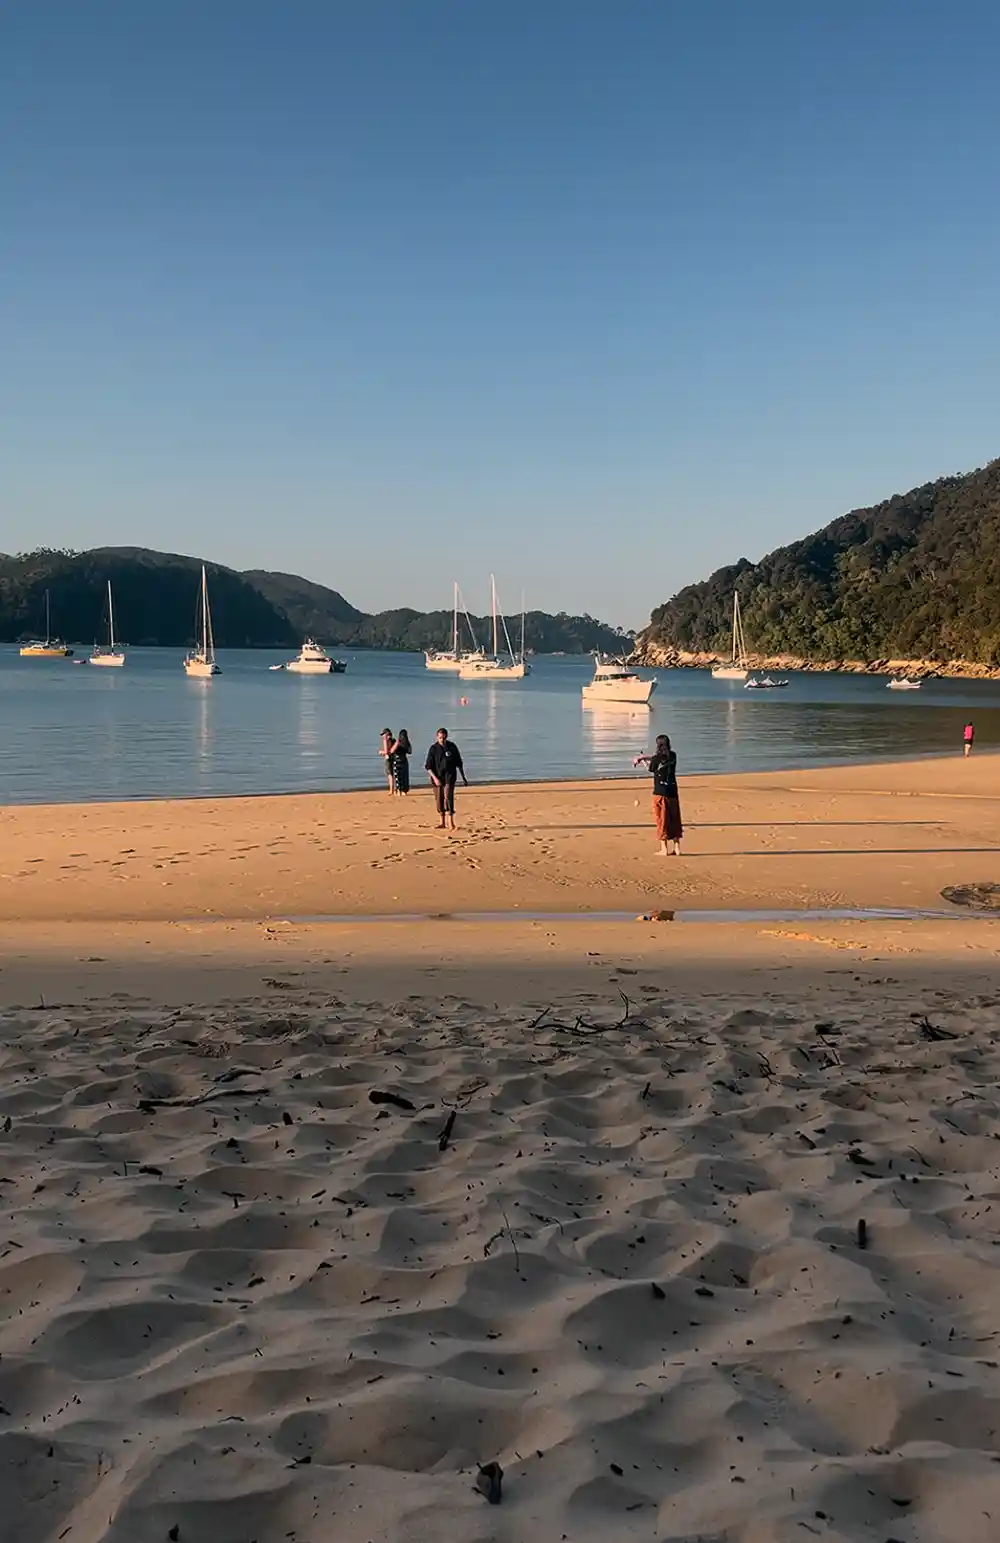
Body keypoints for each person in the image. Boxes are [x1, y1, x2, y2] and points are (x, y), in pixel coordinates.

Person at [634, 734, 683, 855]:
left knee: (662, 819)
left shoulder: (656, 759)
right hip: (673, 792)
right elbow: (661, 759)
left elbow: (651, 769)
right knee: (674, 819)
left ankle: (664, 848)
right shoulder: (673, 755)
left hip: (660, 793)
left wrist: (643, 761)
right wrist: (644, 757)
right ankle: (677, 848)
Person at [425, 727, 467, 829]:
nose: (442, 740)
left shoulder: (452, 747)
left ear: (446, 737)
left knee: (448, 797)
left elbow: (459, 763)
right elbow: (428, 766)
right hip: (437, 776)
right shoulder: (433, 748)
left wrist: (464, 777)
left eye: (443, 738)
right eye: (440, 738)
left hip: (450, 775)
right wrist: (435, 778)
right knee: (439, 799)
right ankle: (442, 822)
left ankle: (451, 822)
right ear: (437, 737)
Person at [390, 729, 412, 794]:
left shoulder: (401, 742)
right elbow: (410, 752)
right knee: (402, 777)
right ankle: (402, 791)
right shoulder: (405, 743)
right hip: (402, 761)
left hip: (399, 761)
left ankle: (401, 791)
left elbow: (392, 751)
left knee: (400, 777)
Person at [379, 728, 395, 793]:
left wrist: (381, 752)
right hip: (393, 757)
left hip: (388, 758)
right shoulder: (393, 740)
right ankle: (394, 788)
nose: (382, 736)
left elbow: (386, 752)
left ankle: (391, 790)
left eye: (383, 734)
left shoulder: (386, 740)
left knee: (389, 774)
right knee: (393, 774)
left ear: (387, 734)